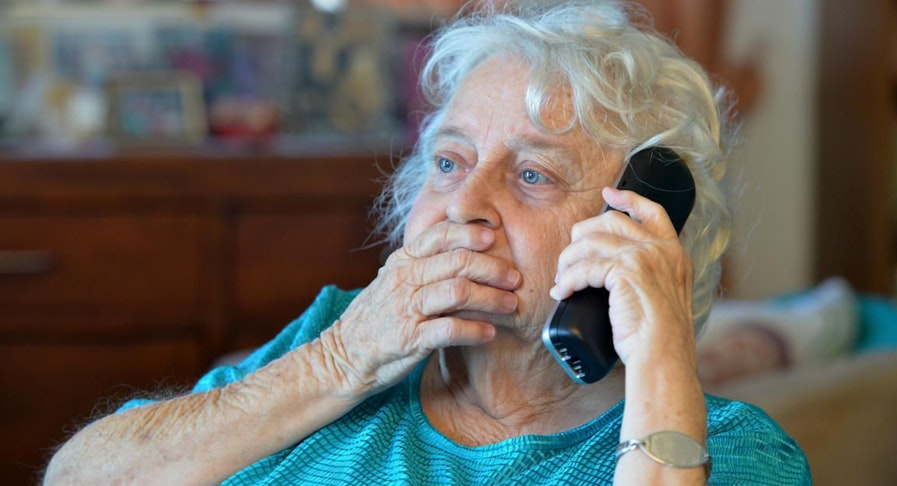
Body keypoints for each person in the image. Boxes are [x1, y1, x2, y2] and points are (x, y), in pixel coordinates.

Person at [45, 1, 809, 484]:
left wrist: (661, 374)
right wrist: (339, 360)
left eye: (533, 174)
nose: (462, 206)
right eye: (447, 162)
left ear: (643, 219)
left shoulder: (732, 455)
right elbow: (80, 478)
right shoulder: (342, 340)